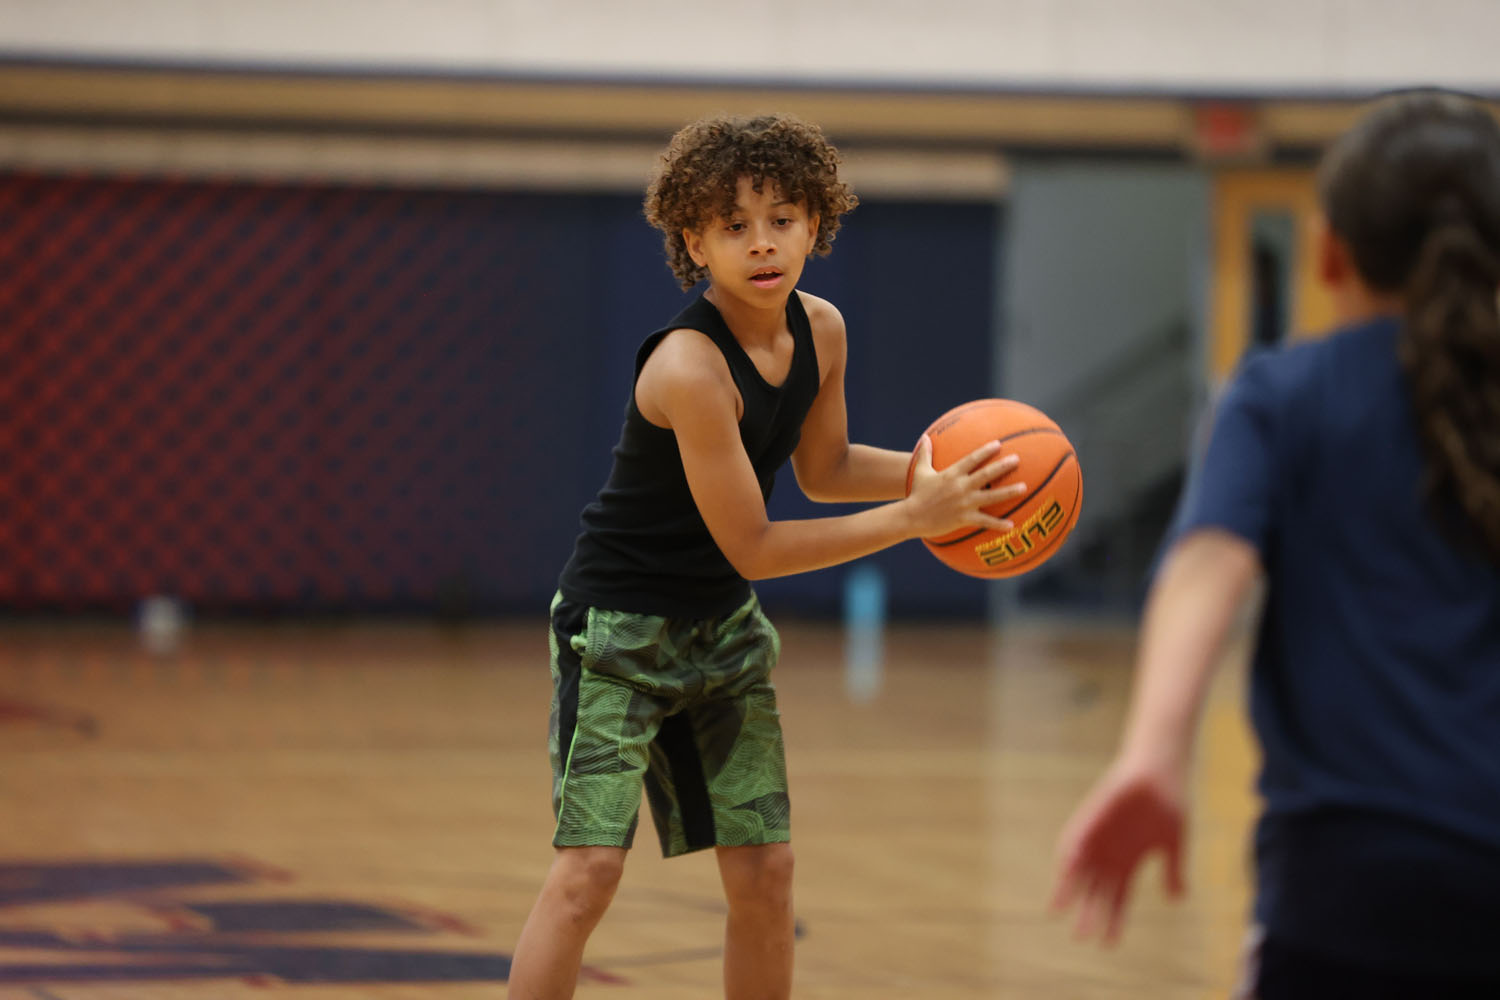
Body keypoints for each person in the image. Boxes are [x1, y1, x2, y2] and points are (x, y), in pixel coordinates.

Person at [507, 113, 1024, 1000]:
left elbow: (824, 471)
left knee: (766, 875)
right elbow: (753, 542)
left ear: (817, 223)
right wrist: (915, 517)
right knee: (589, 873)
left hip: (721, 637)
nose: (761, 243)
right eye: (733, 226)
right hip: (617, 638)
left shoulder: (822, 328)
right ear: (693, 242)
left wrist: (956, 481)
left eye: (782, 218)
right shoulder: (687, 369)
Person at [1051, 89, 1500, 999]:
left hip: (1343, 884)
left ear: (1329, 250)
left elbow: (1206, 567)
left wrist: (1153, 753)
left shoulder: (1283, 395)